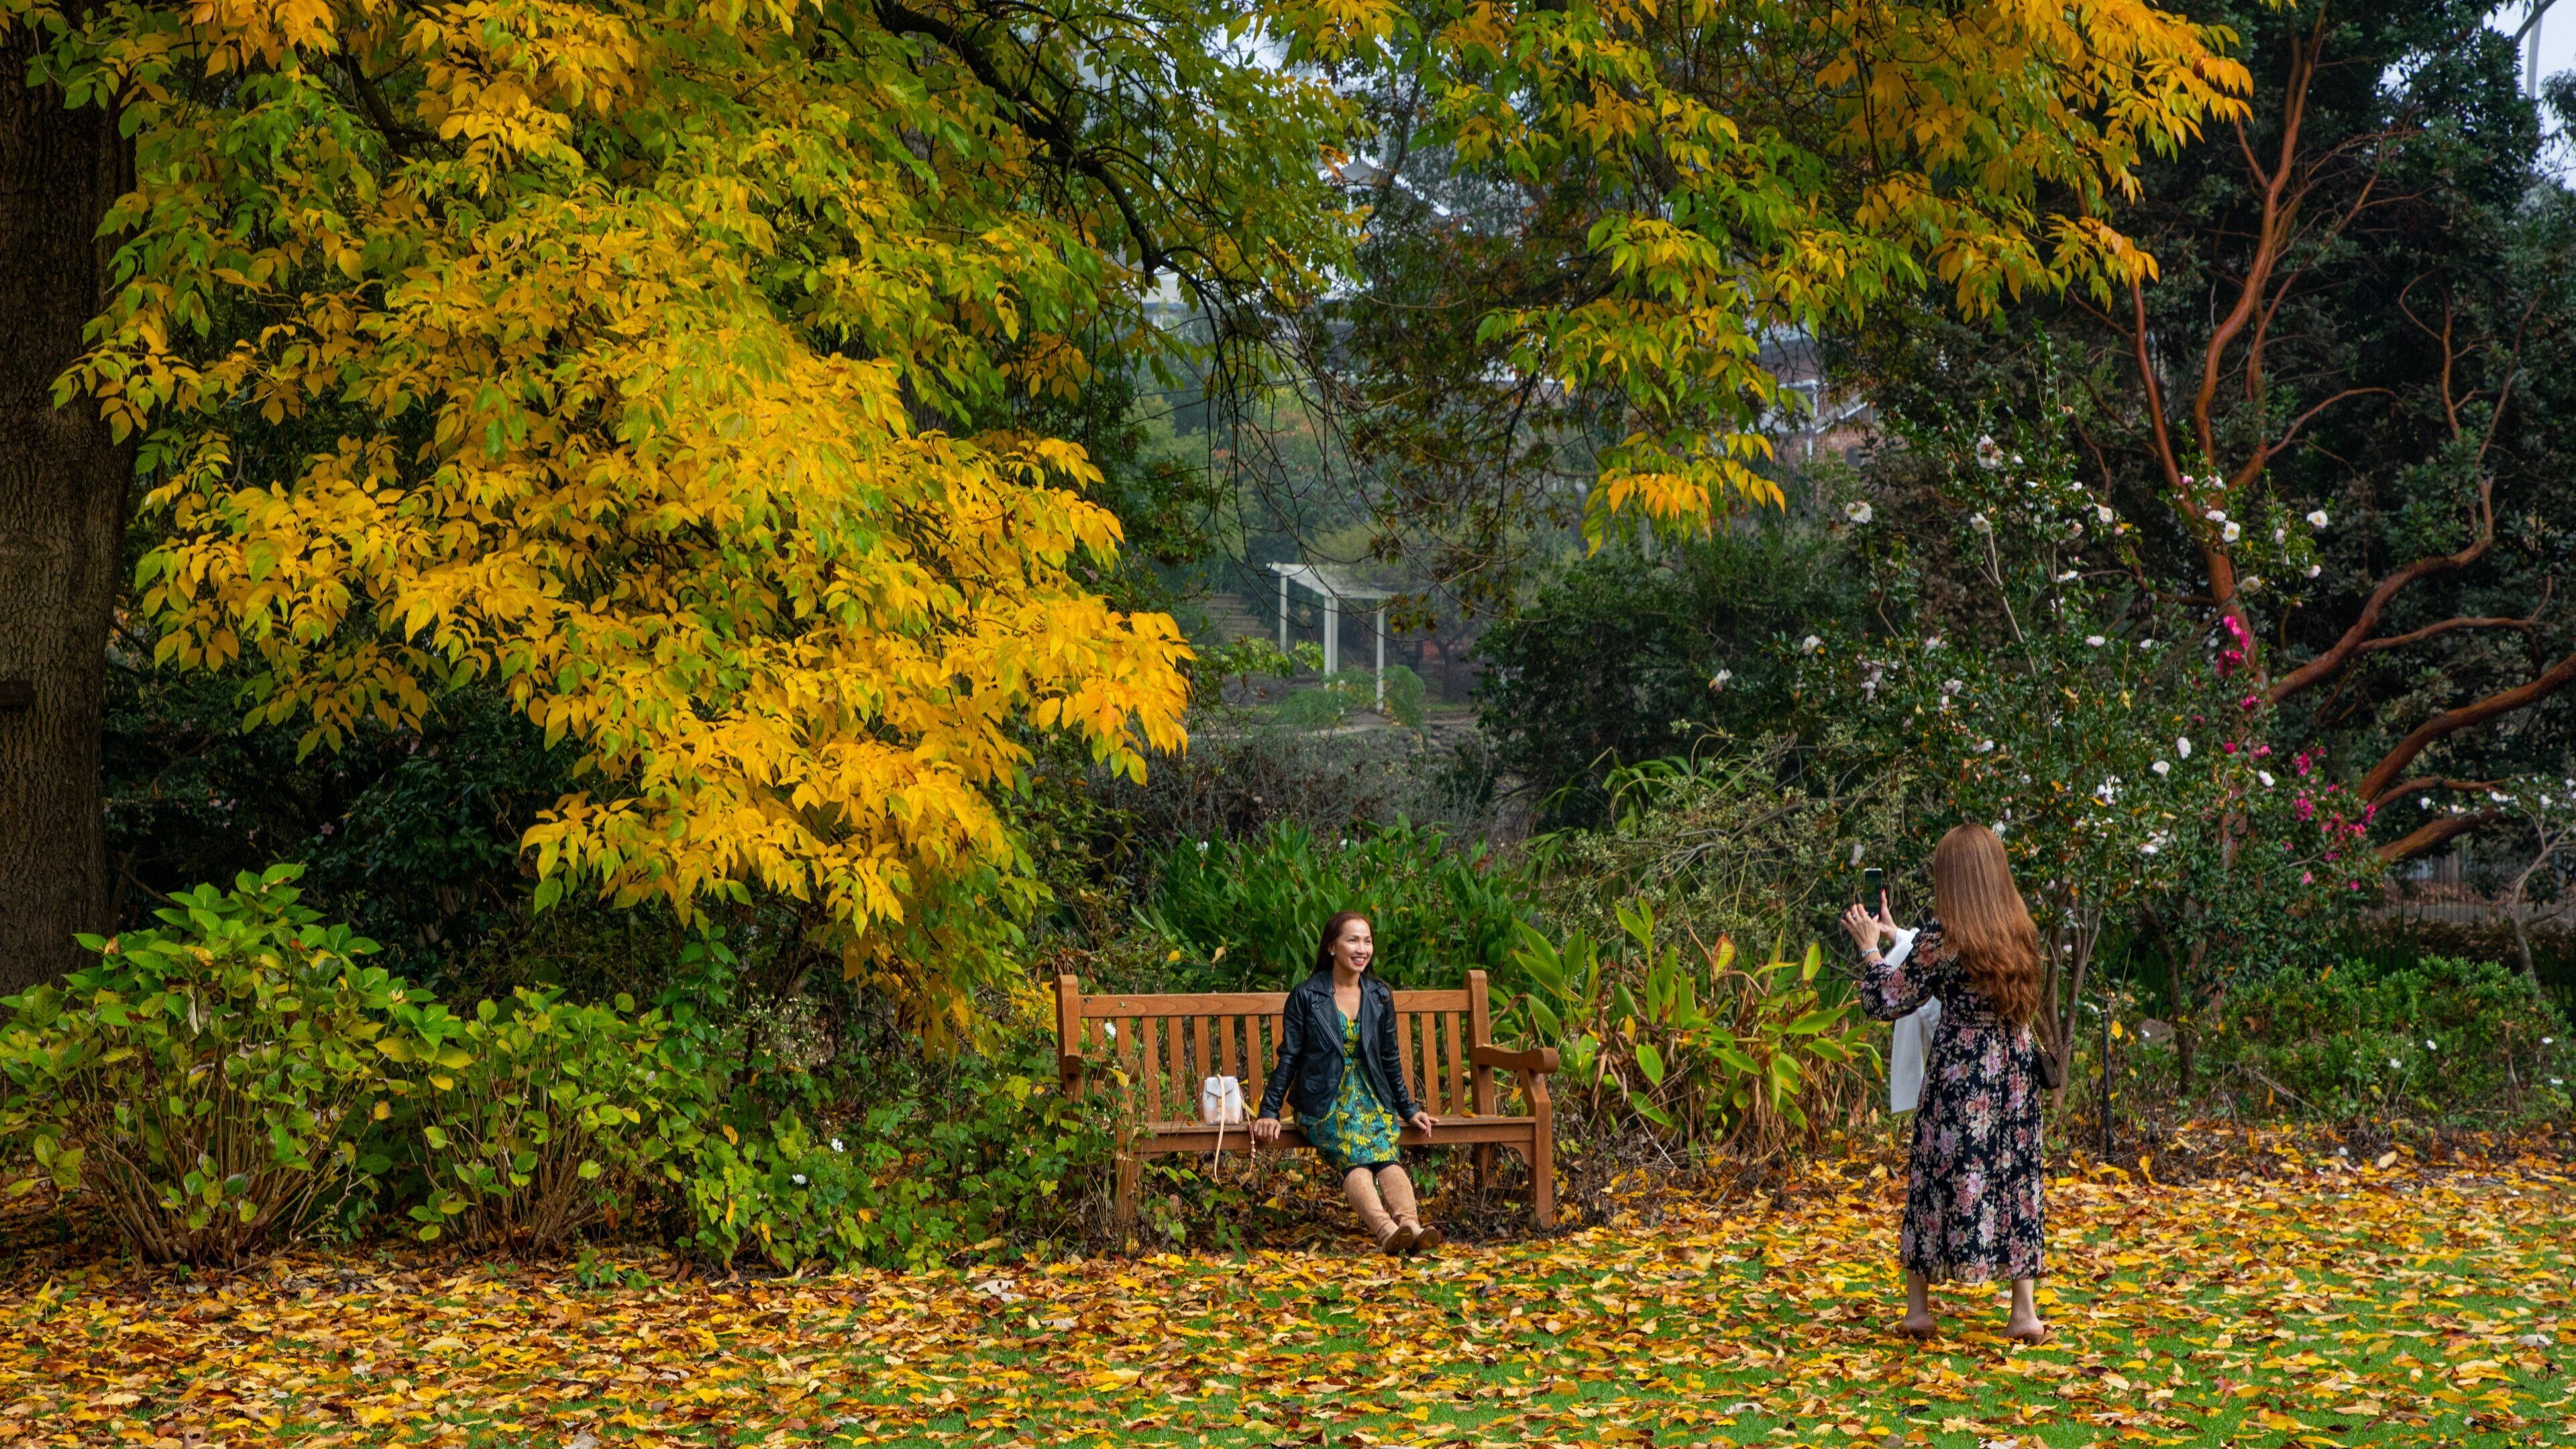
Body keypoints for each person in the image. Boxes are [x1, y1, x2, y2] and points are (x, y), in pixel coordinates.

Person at [1842, 824, 2050, 1343]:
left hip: (1962, 1074)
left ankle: (1918, 1309)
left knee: (1933, 1175)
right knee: (2016, 1177)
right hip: (2013, 1074)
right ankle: (2023, 1312)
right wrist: (1900, 937)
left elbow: (1886, 999)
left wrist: (1871, 948)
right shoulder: (2019, 929)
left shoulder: (1943, 937)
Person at [1252, 911, 1444, 1253]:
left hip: (1372, 1097)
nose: (1362, 948)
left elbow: (1389, 1059)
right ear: (1331, 947)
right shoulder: (1307, 996)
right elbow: (1290, 1056)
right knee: (1355, 1156)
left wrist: (1409, 1109)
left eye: (1367, 940)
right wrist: (1269, 1110)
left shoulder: (1379, 995)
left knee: (1386, 1155)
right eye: (1352, 940)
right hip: (1324, 1101)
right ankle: (1387, 1232)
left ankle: (1412, 1228)